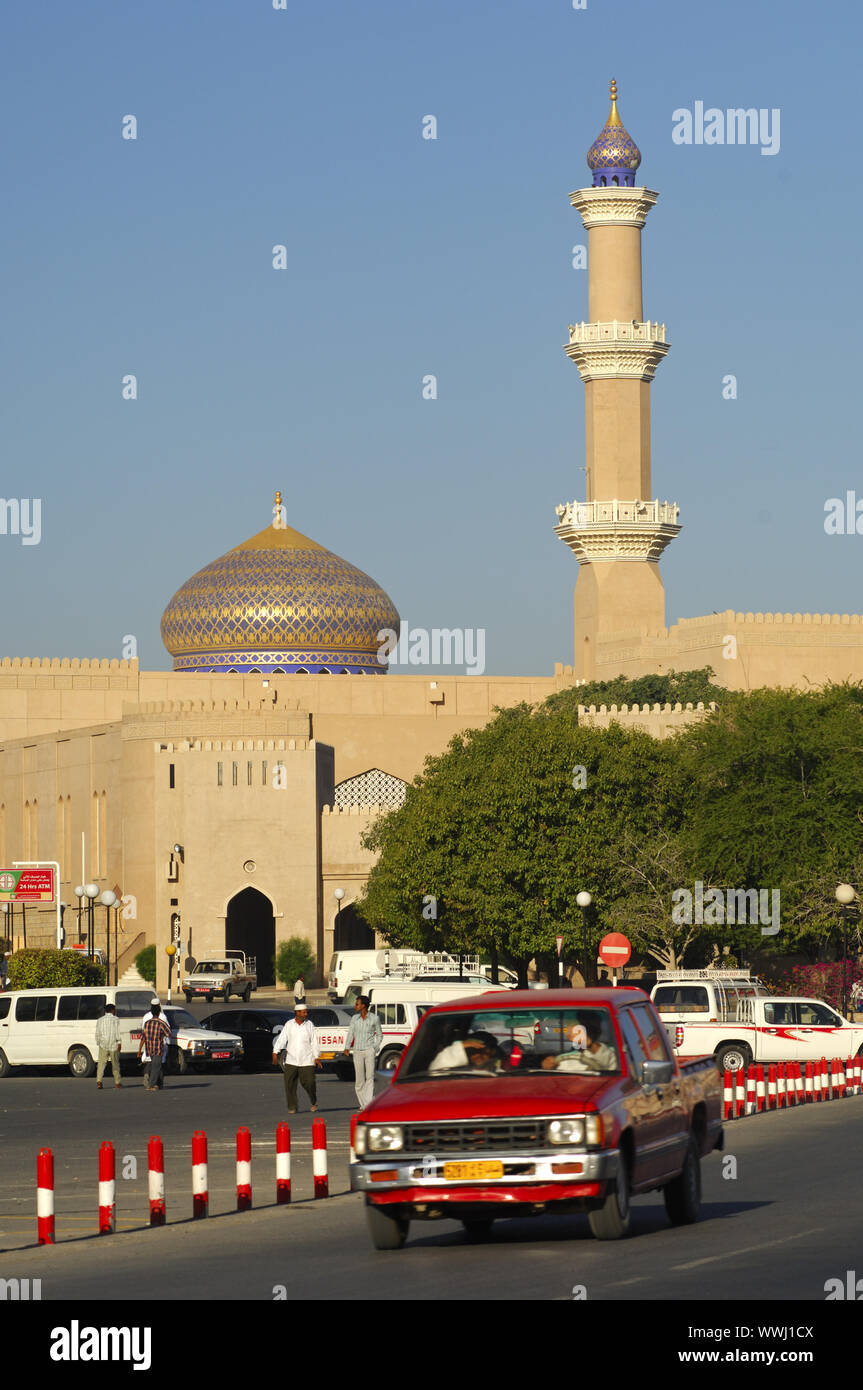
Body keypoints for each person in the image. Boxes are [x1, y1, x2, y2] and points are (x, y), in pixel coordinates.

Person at [272, 1002, 321, 1113]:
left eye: (306, 1011)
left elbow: (314, 1042)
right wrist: (275, 1052)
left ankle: (313, 1101)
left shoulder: (309, 1025)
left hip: (307, 1060)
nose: (306, 1014)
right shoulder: (289, 1024)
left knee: (309, 1082)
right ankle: (292, 1107)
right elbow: (282, 1039)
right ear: (297, 1013)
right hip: (291, 1060)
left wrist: (316, 1056)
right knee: (289, 1084)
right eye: (303, 1012)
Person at [342, 995, 383, 1108]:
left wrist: (374, 1047)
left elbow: (379, 1035)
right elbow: (351, 1033)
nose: (355, 1006)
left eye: (357, 1004)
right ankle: (363, 1103)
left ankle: (367, 1104)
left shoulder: (375, 1018)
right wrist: (346, 1047)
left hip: (369, 1050)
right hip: (357, 1051)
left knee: (369, 1077)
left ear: (363, 1005)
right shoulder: (354, 1018)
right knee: (359, 1080)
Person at [542, 1015, 617, 1073]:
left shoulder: (615, 1055)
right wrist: (549, 1066)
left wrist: (592, 1047)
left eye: (579, 1031)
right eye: (570, 1035)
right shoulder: (563, 1060)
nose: (573, 1038)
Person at [429, 1032, 504, 1073]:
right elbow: (435, 1071)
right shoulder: (454, 1072)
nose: (478, 1055)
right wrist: (460, 1046)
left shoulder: (500, 1074)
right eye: (473, 1050)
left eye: (484, 1051)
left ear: (493, 1052)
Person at [137, 1005, 171, 1092]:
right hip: (158, 1048)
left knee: (154, 1066)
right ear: (159, 1013)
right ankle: (151, 1085)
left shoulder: (147, 1023)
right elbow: (168, 1033)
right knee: (157, 1067)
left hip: (149, 1048)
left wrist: (139, 1050)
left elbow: (143, 1037)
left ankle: (156, 1084)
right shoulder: (161, 1023)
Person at [95, 1003, 122, 1089]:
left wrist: (99, 1042)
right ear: (112, 1010)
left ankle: (99, 1081)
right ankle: (117, 1083)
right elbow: (117, 1032)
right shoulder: (116, 1019)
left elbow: (97, 1033)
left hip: (103, 1044)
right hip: (113, 1044)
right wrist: (119, 1042)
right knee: (115, 1065)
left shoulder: (100, 1020)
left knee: (101, 1064)